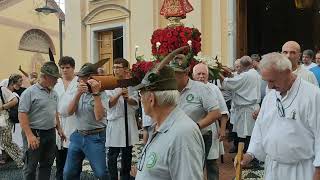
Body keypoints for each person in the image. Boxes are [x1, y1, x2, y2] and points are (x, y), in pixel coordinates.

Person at [239, 52, 320, 180]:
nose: (269, 86)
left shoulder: (313, 95)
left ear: (287, 72)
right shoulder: (270, 97)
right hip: (273, 168)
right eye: (266, 82)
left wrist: (318, 172)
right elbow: (260, 129)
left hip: (302, 170)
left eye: (272, 80)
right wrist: (250, 154)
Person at [135, 65, 205, 180]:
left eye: (140, 95)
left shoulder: (183, 134)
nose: (140, 99)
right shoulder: (159, 126)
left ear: (151, 99)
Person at [169, 54, 221, 179]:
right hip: (176, 136)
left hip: (200, 136)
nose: (173, 76)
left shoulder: (200, 88)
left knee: (195, 170)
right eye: (172, 73)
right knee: (179, 169)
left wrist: (195, 126)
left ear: (186, 72)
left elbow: (215, 112)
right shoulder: (169, 90)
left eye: (177, 73)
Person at [63, 60, 110, 180]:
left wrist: (96, 94)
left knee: (101, 173)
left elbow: (99, 116)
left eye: (82, 78)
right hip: (78, 136)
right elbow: (69, 112)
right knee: (68, 173)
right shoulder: (78, 91)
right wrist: (78, 94)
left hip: (95, 137)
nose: (79, 80)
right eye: (79, 78)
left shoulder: (102, 93)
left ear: (91, 78)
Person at [18, 61, 65, 180]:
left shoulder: (54, 93)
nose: (56, 81)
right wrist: (29, 135)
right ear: (45, 76)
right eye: (54, 78)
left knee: (47, 164)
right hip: (34, 133)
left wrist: (59, 128)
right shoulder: (29, 92)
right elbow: (22, 114)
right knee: (30, 166)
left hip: (50, 133)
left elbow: (54, 112)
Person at [192, 63, 228, 180]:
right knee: (195, 164)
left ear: (208, 76)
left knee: (212, 162)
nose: (201, 76)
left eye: (204, 74)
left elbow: (223, 111)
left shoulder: (214, 89)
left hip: (211, 130)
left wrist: (222, 130)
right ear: (193, 76)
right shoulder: (189, 89)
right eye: (199, 74)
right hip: (193, 131)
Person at [105, 58, 139, 180]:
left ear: (125, 69)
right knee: (113, 154)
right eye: (114, 67)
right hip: (115, 122)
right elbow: (108, 104)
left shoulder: (131, 84)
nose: (115, 69)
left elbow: (136, 103)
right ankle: (113, 177)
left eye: (118, 67)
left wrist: (128, 98)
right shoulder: (109, 83)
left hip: (128, 121)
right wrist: (119, 92)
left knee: (127, 152)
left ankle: (125, 176)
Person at [219, 56, 261, 152]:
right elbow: (237, 79)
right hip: (251, 108)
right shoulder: (254, 73)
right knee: (247, 134)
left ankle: (247, 156)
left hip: (247, 109)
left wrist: (219, 74)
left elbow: (229, 84)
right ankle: (244, 155)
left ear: (242, 66)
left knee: (246, 135)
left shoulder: (246, 75)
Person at [53, 56, 78, 180]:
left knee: (73, 156)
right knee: (60, 157)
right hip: (59, 121)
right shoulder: (56, 83)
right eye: (62, 68)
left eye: (67, 67)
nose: (64, 70)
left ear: (73, 68)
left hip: (74, 121)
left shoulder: (78, 82)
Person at [0, 82, 23, 167]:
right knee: (6, 142)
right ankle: (21, 156)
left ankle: (20, 160)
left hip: (4, 120)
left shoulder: (2, 89)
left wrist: (2, 107)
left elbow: (15, 100)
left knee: (6, 142)